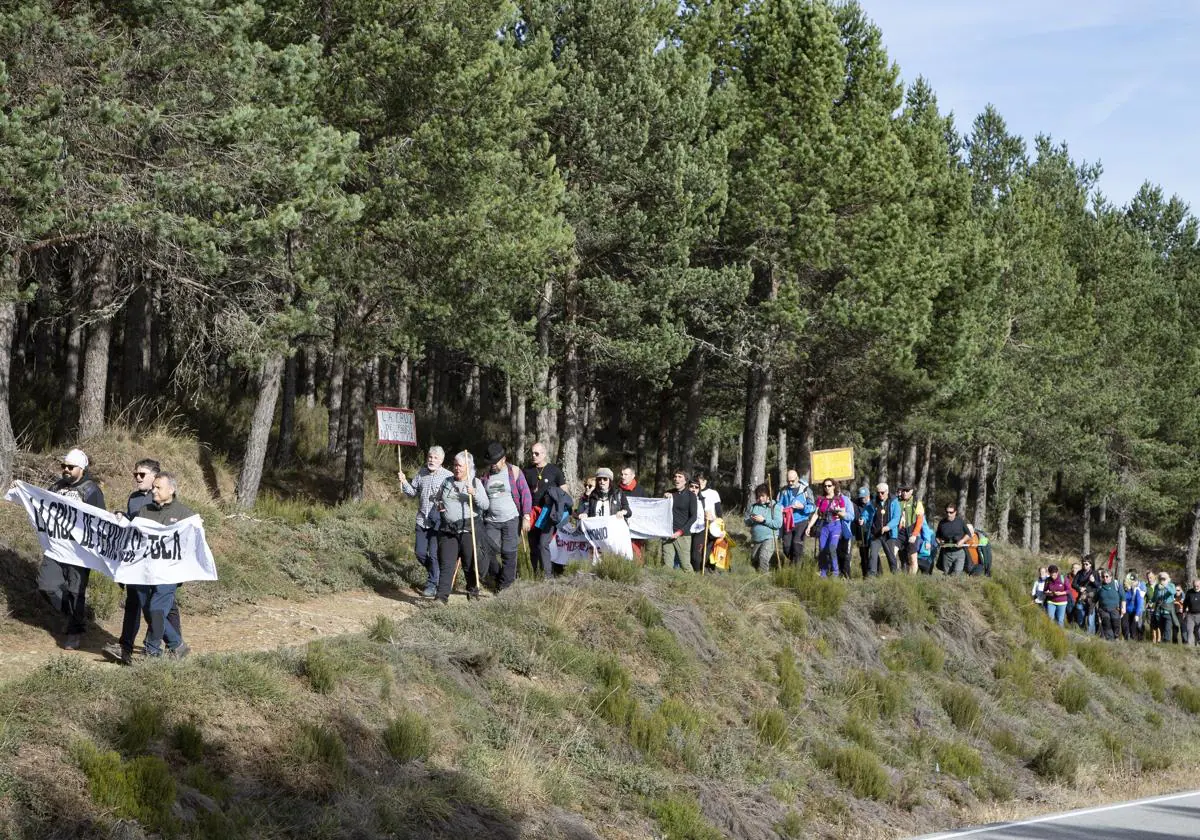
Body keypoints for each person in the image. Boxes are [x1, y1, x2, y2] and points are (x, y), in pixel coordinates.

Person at [120, 472, 193, 661]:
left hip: (169, 573)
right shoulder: (145, 511)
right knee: (148, 608)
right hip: (145, 570)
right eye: (153, 487)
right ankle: (177, 645)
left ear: (171, 489)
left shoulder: (185, 515)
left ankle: (152, 650)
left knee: (156, 609)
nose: (154, 491)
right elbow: (135, 540)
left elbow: (191, 544)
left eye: (158, 487)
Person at [37, 448, 105, 650]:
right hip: (56, 547)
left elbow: (100, 519)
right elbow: (40, 501)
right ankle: (75, 615)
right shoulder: (56, 486)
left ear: (81, 469)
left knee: (76, 591)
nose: (65, 469)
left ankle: (75, 631)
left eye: (70, 467)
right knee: (46, 585)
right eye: (63, 466)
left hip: (79, 552)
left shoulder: (91, 490)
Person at [433, 451, 489, 603]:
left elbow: (485, 505)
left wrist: (474, 494)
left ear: (468, 467)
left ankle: (473, 594)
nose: (456, 468)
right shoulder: (447, 482)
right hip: (448, 530)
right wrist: (439, 505)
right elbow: (438, 499)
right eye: (455, 465)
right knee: (446, 563)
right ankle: (441, 597)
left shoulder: (475, 483)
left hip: (468, 530)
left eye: (460, 466)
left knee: (470, 564)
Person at [399, 446, 453, 598]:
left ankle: (432, 584)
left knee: (434, 554)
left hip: (438, 522)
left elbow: (454, 498)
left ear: (441, 460)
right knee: (420, 553)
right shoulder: (421, 473)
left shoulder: (448, 476)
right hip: (422, 520)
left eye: (435, 458)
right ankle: (436, 573)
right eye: (430, 457)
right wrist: (404, 482)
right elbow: (412, 493)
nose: (432, 460)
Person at [479, 443, 532, 594]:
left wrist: (526, 516)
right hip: (491, 521)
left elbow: (526, 494)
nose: (492, 465)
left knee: (509, 554)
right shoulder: (485, 476)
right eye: (490, 462)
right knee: (487, 552)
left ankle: (505, 588)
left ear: (504, 459)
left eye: (495, 462)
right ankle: (499, 577)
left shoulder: (514, 472)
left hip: (511, 520)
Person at [524, 442, 569, 577]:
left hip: (549, 513)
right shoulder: (527, 471)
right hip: (532, 512)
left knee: (544, 543)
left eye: (537, 453)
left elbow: (564, 491)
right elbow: (523, 492)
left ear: (544, 454)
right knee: (533, 544)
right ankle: (535, 574)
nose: (533, 455)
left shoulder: (555, 470)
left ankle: (547, 577)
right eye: (532, 453)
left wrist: (562, 510)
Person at [805, 479, 845, 578]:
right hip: (824, 526)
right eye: (825, 486)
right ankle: (823, 573)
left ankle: (835, 572)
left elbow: (844, 514)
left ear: (834, 486)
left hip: (835, 525)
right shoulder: (820, 499)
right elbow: (816, 514)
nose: (827, 488)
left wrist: (837, 511)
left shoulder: (839, 499)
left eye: (829, 485)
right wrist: (809, 526)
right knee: (822, 549)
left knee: (832, 548)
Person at [863, 483, 902, 576]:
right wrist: (862, 519)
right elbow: (865, 514)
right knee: (873, 555)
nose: (880, 495)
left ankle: (895, 575)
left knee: (891, 556)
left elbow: (896, 518)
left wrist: (888, 527)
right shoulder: (872, 503)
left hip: (889, 534)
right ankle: (871, 576)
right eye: (878, 493)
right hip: (875, 534)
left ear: (887, 492)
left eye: (882, 492)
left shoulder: (894, 502)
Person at [663, 470, 697, 571]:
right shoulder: (669, 493)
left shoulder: (691, 496)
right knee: (667, 566)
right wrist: (664, 499)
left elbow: (693, 517)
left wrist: (680, 532)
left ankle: (693, 585)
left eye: (680, 477)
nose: (676, 479)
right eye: (675, 476)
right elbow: (661, 512)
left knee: (685, 565)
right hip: (667, 533)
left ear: (685, 480)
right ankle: (666, 585)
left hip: (683, 535)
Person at [777, 470, 813, 566]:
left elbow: (813, 507)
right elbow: (779, 503)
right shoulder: (783, 490)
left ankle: (796, 570)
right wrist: (779, 507)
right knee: (786, 547)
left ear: (797, 478)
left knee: (797, 545)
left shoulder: (806, 490)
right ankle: (795, 561)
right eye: (788, 481)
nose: (790, 483)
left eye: (792, 481)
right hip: (787, 521)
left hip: (801, 521)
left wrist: (803, 507)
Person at [744, 484, 782, 573]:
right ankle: (757, 574)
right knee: (754, 559)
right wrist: (751, 519)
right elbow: (746, 521)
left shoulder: (775, 507)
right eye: (758, 496)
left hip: (770, 537)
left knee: (763, 557)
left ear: (768, 495)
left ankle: (763, 579)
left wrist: (764, 520)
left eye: (762, 496)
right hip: (756, 538)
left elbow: (778, 524)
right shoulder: (754, 506)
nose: (760, 498)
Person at [691, 472, 722, 573]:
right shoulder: (693, 490)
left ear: (706, 481)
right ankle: (697, 567)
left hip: (712, 524)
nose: (700, 482)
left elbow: (719, 512)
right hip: (697, 525)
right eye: (698, 479)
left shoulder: (713, 493)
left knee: (708, 549)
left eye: (702, 480)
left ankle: (707, 567)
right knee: (696, 549)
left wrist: (718, 522)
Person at [618, 466, 648, 563]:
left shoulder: (641, 490)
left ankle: (637, 571)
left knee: (636, 553)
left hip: (636, 527)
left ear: (633, 476)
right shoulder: (617, 489)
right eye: (622, 474)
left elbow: (647, 508)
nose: (623, 477)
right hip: (620, 526)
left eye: (626, 474)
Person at [934, 503, 974, 576]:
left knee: (956, 574)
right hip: (946, 553)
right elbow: (937, 536)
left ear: (955, 512)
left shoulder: (960, 521)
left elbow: (968, 534)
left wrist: (962, 541)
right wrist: (939, 542)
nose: (948, 514)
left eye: (951, 512)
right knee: (947, 574)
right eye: (947, 512)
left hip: (959, 552)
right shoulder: (942, 523)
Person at [896, 485, 925, 575]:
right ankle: (897, 575)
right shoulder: (897, 501)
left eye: (907, 490)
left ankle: (911, 579)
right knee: (895, 554)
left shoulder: (916, 502)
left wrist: (914, 534)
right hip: (899, 532)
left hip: (911, 531)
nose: (904, 492)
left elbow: (920, 520)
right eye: (903, 490)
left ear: (911, 491)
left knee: (912, 558)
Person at [1072, 558, 1099, 633]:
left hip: (1091, 600)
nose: (1084, 565)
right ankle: (1081, 633)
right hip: (1081, 598)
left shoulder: (1095, 573)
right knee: (1080, 618)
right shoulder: (1079, 573)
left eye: (1086, 564)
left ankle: (1091, 636)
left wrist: (1093, 581)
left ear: (1090, 564)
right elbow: (1073, 584)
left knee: (1090, 620)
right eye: (1083, 564)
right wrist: (1079, 588)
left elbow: (1099, 586)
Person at [1094, 570, 1121, 641]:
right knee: (1106, 624)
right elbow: (1095, 599)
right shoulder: (1100, 587)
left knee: (1115, 624)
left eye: (1107, 576)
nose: (1105, 578)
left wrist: (1123, 607)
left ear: (1111, 577)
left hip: (1115, 609)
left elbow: (1123, 596)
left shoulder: (1116, 584)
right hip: (1103, 609)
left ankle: (1116, 637)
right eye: (1103, 576)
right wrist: (1092, 607)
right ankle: (1110, 640)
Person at [1149, 572, 1176, 643]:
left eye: (1164, 578)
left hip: (1168, 610)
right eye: (1160, 578)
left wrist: (1165, 585)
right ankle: (1163, 642)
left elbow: (1173, 592)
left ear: (1168, 579)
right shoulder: (1157, 586)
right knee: (1161, 627)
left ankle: (1166, 641)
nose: (1162, 580)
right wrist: (1151, 601)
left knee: (1168, 627)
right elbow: (1154, 597)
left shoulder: (1171, 585)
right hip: (1159, 611)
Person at [852, 486, 871, 576]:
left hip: (871, 534)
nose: (863, 499)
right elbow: (854, 517)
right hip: (859, 534)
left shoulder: (873, 503)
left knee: (872, 554)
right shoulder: (855, 504)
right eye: (861, 497)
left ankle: (877, 573)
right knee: (862, 553)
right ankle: (865, 575)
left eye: (864, 497)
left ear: (868, 495)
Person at [1121, 572, 1145, 641]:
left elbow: (1139, 603)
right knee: (1124, 625)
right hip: (1126, 610)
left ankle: (1133, 640)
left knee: (1133, 627)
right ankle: (1126, 639)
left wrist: (1137, 614)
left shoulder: (1136, 591)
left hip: (1134, 611)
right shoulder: (1124, 591)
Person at [1182, 579, 1200, 645]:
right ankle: (1190, 647)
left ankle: (1198, 644)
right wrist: (1184, 612)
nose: (1196, 587)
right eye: (1194, 586)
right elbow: (1185, 603)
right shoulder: (1189, 592)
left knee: (1198, 631)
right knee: (1189, 631)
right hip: (1190, 615)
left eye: (1197, 586)